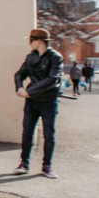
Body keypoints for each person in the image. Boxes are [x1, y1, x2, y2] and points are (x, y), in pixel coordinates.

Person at [13, 28, 63, 179]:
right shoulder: (31, 57)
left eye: (31, 40)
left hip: (48, 101)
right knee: (27, 131)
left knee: (49, 134)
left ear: (39, 41)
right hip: (32, 102)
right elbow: (19, 74)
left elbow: (53, 79)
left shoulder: (55, 57)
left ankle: (47, 165)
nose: (30, 43)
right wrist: (20, 87)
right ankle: (24, 163)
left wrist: (29, 91)